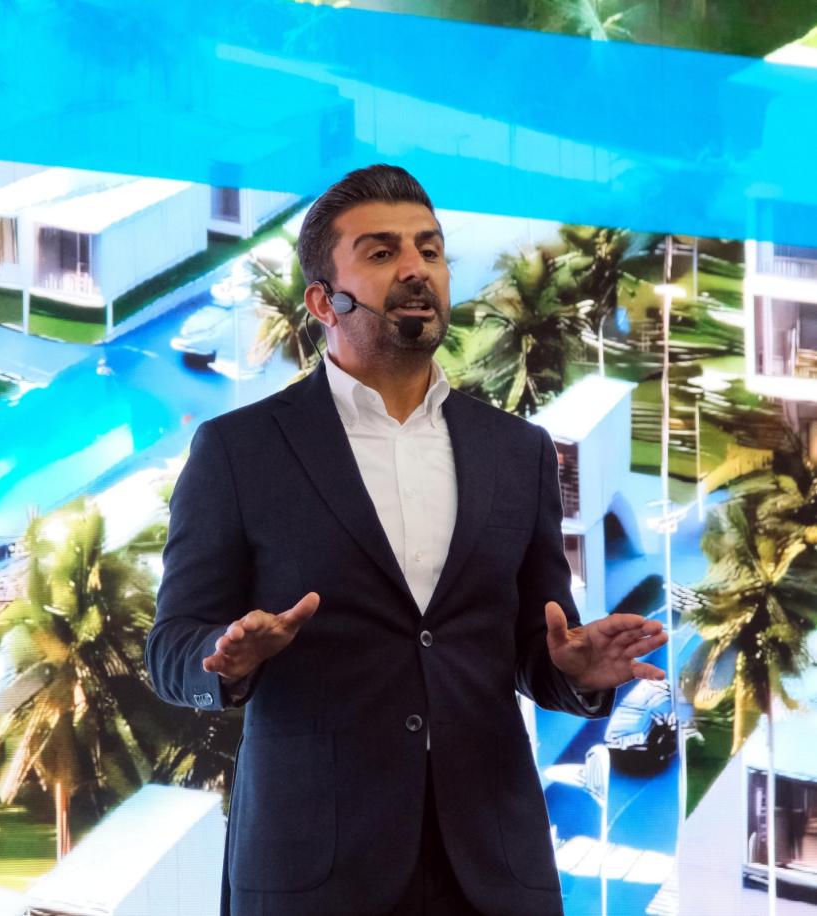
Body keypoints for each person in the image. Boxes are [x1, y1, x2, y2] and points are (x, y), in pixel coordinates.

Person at [146, 164, 667, 916]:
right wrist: (225, 658)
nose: (417, 268)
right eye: (382, 252)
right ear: (323, 301)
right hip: (314, 874)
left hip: (492, 869)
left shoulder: (517, 452)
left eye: (430, 249)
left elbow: (536, 648)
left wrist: (577, 671)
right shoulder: (238, 452)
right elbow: (170, 650)